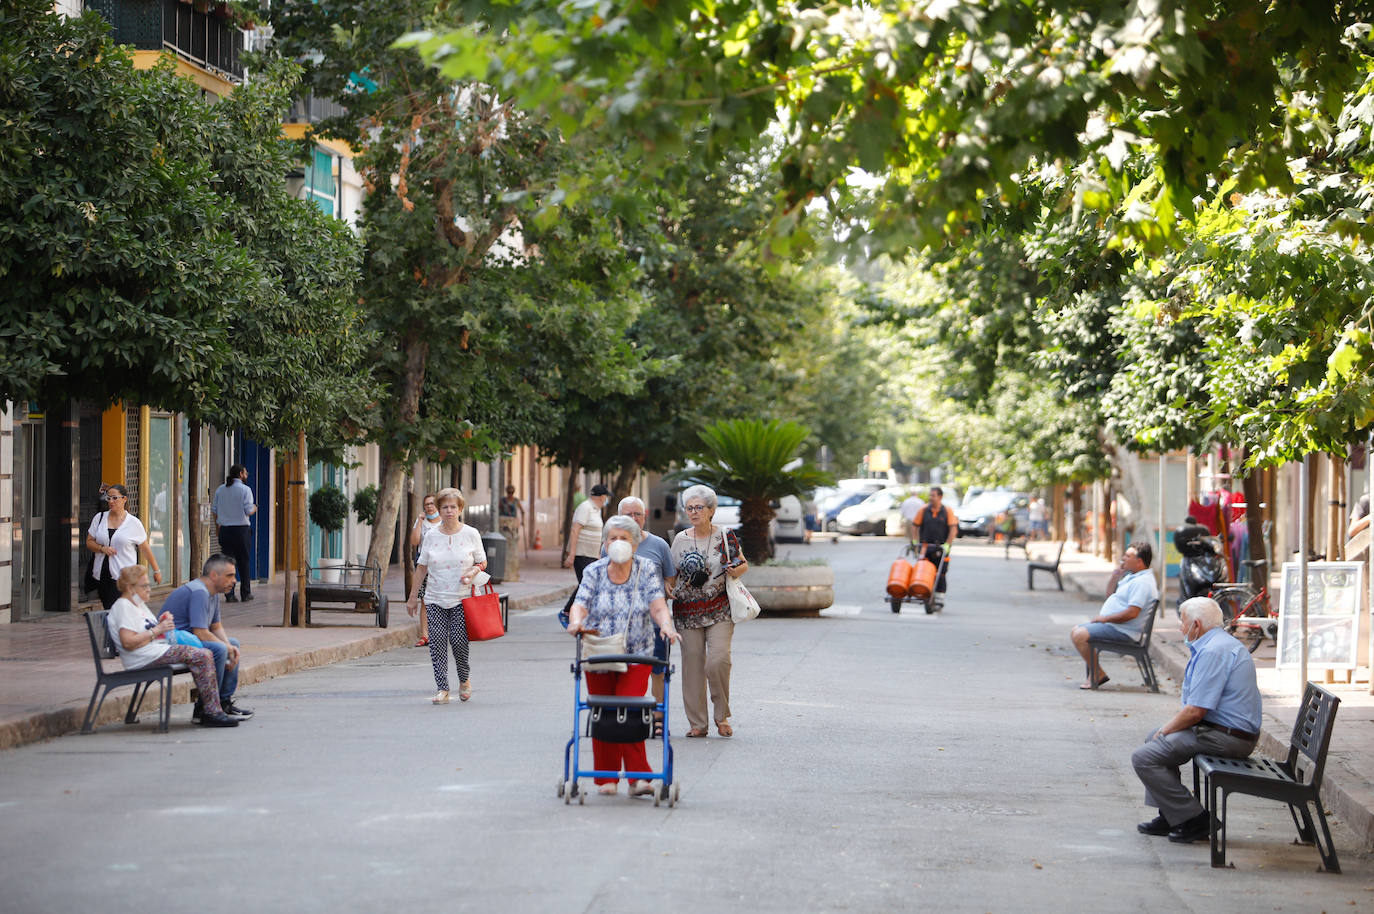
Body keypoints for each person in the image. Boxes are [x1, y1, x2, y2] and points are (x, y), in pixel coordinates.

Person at [1132, 596, 1262, 843]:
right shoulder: (1217, 644)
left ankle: (1195, 819)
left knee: (1144, 757)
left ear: (1197, 625)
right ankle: (1172, 814)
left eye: (1182, 622)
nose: (1181, 629)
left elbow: (1196, 711)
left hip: (1228, 738)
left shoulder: (1213, 651)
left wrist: (1167, 729)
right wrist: (1165, 730)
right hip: (1221, 730)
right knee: (1154, 739)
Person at [568, 515, 680, 795]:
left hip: (636, 655)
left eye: (623, 538)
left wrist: (666, 626)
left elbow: (657, 606)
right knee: (603, 713)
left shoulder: (646, 571)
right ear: (605, 543)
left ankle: (639, 778)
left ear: (636, 541)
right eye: (612, 538)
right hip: (599, 652)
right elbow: (580, 603)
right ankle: (606, 778)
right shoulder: (594, 571)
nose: (617, 543)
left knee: (630, 711)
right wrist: (575, 622)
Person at [106, 566, 238, 727]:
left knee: (205, 653)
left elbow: (148, 631)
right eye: (144, 586)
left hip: (156, 650)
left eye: (149, 585)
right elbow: (128, 642)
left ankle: (211, 707)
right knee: (203, 655)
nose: (149, 590)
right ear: (130, 587)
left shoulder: (138, 605)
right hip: (144, 656)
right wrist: (157, 630)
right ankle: (211, 711)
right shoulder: (123, 606)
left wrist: (161, 623)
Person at [670, 484, 748, 738]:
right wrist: (666, 587)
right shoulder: (680, 539)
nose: (694, 512)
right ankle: (698, 723)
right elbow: (671, 574)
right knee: (692, 666)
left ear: (711, 510)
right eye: (689, 508)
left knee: (718, 661)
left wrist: (735, 571)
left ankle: (721, 715)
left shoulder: (725, 536)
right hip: (687, 611)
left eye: (699, 508)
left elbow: (742, 564)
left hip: (719, 609)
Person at [406, 487, 487, 704]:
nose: (449, 511)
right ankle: (442, 689)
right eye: (445, 507)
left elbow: (482, 561)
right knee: (437, 642)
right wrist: (413, 596)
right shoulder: (431, 536)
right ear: (439, 510)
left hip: (462, 598)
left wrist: (474, 570)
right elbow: (421, 567)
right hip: (435, 597)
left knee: (459, 642)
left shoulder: (471, 534)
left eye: (453, 507)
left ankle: (464, 679)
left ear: (460, 509)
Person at [163, 554, 254, 720]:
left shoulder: (212, 593)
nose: (234, 580)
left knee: (233, 643)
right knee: (219, 649)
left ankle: (223, 701)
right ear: (213, 575)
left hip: (190, 641)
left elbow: (215, 626)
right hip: (171, 644)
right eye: (229, 576)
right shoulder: (199, 592)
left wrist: (230, 647)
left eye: (234, 576)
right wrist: (226, 648)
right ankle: (206, 706)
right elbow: (200, 632)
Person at [617, 496, 677, 736]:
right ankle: (629, 715)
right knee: (624, 669)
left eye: (637, 514)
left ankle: (658, 717)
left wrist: (665, 585)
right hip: (622, 624)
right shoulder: (610, 544)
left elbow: (670, 576)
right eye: (628, 514)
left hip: (653, 622)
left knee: (658, 671)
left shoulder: (659, 545)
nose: (633, 519)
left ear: (645, 516)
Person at [1070, 541, 1159, 689]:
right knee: (1075, 630)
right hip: (1115, 627)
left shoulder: (1142, 583)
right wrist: (1115, 576)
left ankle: (1098, 674)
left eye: (1127, 556)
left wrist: (1105, 618)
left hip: (1125, 631)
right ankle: (1096, 673)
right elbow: (1110, 595)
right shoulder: (1133, 577)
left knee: (1079, 635)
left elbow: (1132, 612)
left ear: (1139, 562)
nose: (1123, 558)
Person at [86, 484, 161, 610]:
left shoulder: (133, 523)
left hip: (126, 576)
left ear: (124, 499)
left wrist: (156, 570)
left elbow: (145, 548)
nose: (111, 501)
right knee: (110, 610)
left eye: (115, 498)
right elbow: (89, 542)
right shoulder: (99, 518)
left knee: (126, 609)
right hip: (103, 575)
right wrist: (102, 548)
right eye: (108, 498)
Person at [561, 483, 611, 623]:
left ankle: (584, 613)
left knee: (590, 583)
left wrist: (599, 554)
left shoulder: (596, 510)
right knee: (586, 583)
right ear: (601, 497)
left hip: (592, 554)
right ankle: (568, 610)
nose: (606, 499)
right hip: (582, 553)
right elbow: (575, 530)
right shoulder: (585, 507)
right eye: (606, 497)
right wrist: (571, 554)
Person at [211, 464, 257, 602]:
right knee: (244, 562)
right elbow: (248, 511)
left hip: (225, 530)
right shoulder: (245, 490)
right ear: (241, 474)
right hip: (241, 531)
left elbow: (214, 511)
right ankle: (245, 593)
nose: (247, 475)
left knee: (228, 564)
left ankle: (229, 594)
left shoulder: (220, 489)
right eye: (246, 473)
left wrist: (217, 527)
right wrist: (255, 508)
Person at [910, 486, 956, 611]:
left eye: (933, 495)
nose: (931, 498)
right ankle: (924, 593)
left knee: (940, 573)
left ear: (940, 497)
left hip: (941, 548)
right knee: (923, 571)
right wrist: (914, 541)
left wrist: (948, 543)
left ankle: (939, 599)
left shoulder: (947, 511)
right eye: (930, 495)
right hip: (925, 547)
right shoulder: (924, 510)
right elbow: (914, 526)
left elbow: (953, 529)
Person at [408, 493, 441, 647]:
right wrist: (420, 522)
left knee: (441, 599)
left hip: (441, 563)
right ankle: (425, 635)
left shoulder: (444, 522)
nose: (429, 507)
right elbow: (414, 542)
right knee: (425, 599)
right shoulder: (421, 522)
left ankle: (440, 633)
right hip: (423, 561)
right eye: (426, 504)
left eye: (432, 503)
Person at [499, 485, 525, 581]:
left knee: (513, 550)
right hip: (504, 526)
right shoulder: (502, 501)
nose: (510, 494)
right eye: (509, 492)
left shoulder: (516, 501)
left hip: (513, 526)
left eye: (511, 492)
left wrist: (522, 521)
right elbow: (498, 510)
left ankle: (513, 575)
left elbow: (522, 511)